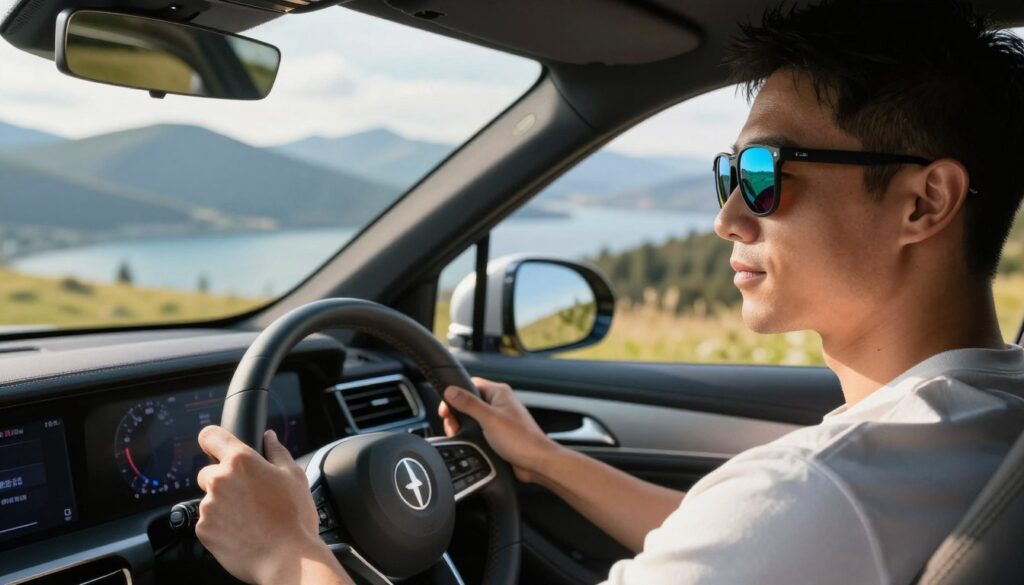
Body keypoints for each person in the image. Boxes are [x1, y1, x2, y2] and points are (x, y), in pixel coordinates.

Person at [191, 0, 1024, 583]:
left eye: (767, 175)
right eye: (729, 174)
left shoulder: (823, 487)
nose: (728, 217)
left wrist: (285, 553)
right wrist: (548, 461)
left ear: (926, 202)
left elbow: (778, 522)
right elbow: (745, 544)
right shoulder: (982, 422)